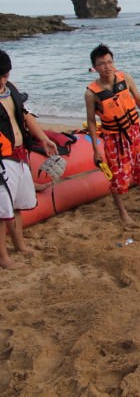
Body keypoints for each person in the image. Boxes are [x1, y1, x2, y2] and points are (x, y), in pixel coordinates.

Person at [85, 44, 140, 225]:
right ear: (94, 67)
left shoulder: (125, 78)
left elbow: (139, 99)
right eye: (102, 63)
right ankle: (123, 213)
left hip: (134, 131)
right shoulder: (91, 93)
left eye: (110, 62)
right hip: (113, 138)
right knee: (118, 176)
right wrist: (95, 149)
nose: (107, 66)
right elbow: (90, 121)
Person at [0, 50, 58, 269]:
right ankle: (3, 258)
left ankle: (20, 245)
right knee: (1, 211)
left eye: (5, 76)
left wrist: (43, 139)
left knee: (16, 206)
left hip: (19, 154)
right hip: (1, 159)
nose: (2, 81)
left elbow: (24, 115)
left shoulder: (10, 88)